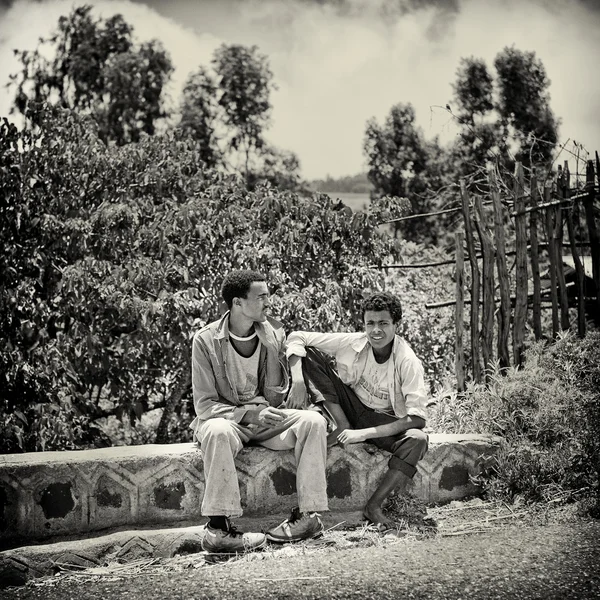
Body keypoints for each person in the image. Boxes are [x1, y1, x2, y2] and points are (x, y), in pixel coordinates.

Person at [191, 269, 329, 553]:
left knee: (313, 421)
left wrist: (291, 369)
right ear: (237, 303)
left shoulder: (273, 332)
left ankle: (308, 518)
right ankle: (218, 530)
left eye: (269, 296)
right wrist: (250, 414)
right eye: (261, 297)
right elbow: (204, 405)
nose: (269, 303)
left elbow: (292, 353)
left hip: (269, 421)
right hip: (229, 422)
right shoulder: (205, 341)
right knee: (216, 431)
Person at [285, 291, 428, 531]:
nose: (376, 331)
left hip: (382, 421)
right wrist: (298, 380)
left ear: (396, 324)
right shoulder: (353, 342)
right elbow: (297, 337)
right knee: (308, 353)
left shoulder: (407, 360)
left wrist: (363, 435)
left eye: (383, 323)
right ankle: (342, 425)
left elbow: (417, 418)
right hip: (350, 407)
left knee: (418, 440)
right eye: (370, 323)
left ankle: (374, 506)